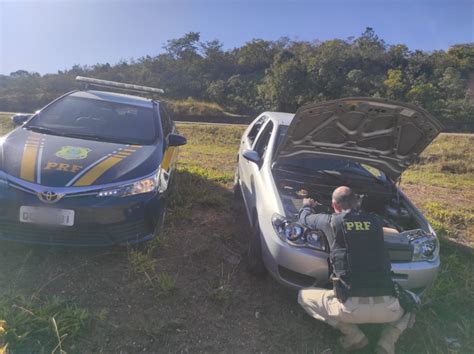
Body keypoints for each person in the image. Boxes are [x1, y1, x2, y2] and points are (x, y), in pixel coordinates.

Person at [297, 186, 417, 354]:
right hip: (390, 309)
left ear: (334, 205)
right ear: (357, 203)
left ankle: (355, 338)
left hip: (349, 309)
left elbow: (305, 219)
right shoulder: (376, 221)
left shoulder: (330, 221)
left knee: (303, 296)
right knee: (413, 300)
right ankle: (387, 343)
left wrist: (306, 204)